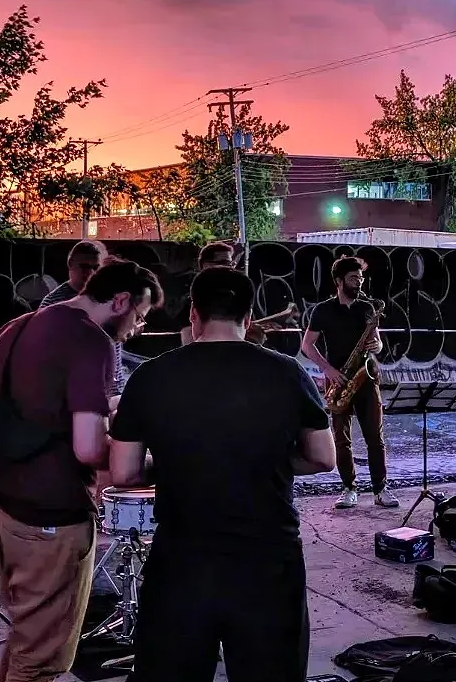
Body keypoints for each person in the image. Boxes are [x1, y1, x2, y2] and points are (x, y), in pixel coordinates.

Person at [110, 266, 336, 682]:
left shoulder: (151, 376)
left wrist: (179, 462)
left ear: (193, 315)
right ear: (248, 318)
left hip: (181, 562)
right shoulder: (288, 372)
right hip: (268, 561)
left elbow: (123, 472)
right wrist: (260, 459)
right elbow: (323, 458)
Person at [0, 258, 161, 682]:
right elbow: (88, 448)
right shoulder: (91, 339)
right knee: (41, 660)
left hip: (1, 508)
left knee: (25, 640)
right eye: (139, 316)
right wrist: (142, 461)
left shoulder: (12, 329)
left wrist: (3, 473)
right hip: (52, 516)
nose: (137, 329)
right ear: (120, 300)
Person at [301, 256, 397, 509]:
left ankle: (380, 489)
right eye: (354, 278)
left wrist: (377, 345)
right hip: (339, 379)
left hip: (366, 378)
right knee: (342, 440)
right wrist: (328, 369)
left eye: (361, 278)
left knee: (375, 437)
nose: (359, 283)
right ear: (339, 281)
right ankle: (348, 488)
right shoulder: (323, 310)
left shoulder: (368, 308)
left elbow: (377, 342)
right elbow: (307, 345)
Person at [177, 241, 236, 346]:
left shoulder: (236, 298)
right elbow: (189, 342)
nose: (230, 269)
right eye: (225, 263)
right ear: (206, 265)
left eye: (231, 264)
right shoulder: (191, 302)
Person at [39, 240, 106, 307]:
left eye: (95, 267)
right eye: (84, 267)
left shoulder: (108, 298)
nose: (91, 272)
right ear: (70, 264)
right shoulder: (51, 302)